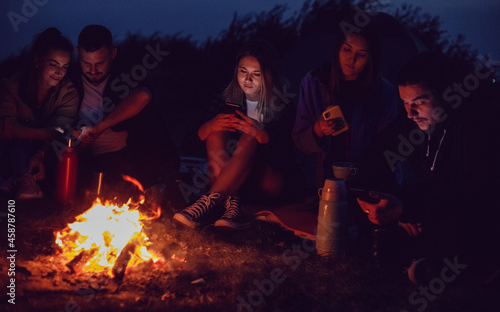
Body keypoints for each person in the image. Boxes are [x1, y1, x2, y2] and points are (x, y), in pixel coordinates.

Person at [355, 52, 500, 282]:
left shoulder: (473, 123)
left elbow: (471, 195)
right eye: (405, 103)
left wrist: (405, 210)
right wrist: (393, 203)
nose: (410, 113)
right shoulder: (411, 123)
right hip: (438, 202)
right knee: (369, 205)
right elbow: (374, 157)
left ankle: (461, 265)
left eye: (420, 102)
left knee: (454, 227)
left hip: (476, 210)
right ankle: (417, 256)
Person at [174, 40, 299, 230]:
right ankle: (233, 207)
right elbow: (186, 145)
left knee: (249, 135)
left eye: (256, 74)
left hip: (267, 183)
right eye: (243, 71)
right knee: (215, 130)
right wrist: (207, 127)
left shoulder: (281, 103)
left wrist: (262, 136)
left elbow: (289, 157)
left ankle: (208, 202)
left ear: (268, 74)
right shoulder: (225, 98)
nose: (248, 80)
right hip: (231, 183)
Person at [70, 25, 179, 197]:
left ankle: (159, 180)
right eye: (86, 63)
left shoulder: (125, 76)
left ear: (112, 54)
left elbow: (143, 95)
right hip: (87, 157)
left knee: (148, 112)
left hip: (127, 156)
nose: (92, 70)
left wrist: (99, 128)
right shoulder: (69, 82)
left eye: (99, 63)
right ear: (77, 53)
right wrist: (80, 141)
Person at [292, 21, 400, 194]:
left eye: (362, 54)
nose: (352, 59)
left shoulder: (384, 91)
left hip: (370, 183)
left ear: (371, 58)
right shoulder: (314, 82)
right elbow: (299, 141)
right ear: (338, 49)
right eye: (347, 49)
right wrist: (318, 128)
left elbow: (392, 146)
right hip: (327, 183)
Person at [0, 27, 78, 200]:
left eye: (65, 67)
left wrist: (40, 154)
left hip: (42, 153)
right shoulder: (12, 86)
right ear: (37, 61)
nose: (59, 72)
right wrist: (45, 133)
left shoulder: (68, 93)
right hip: (8, 149)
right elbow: (5, 128)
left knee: (64, 145)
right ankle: (22, 179)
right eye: (53, 65)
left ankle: (20, 180)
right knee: (18, 133)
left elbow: (60, 130)